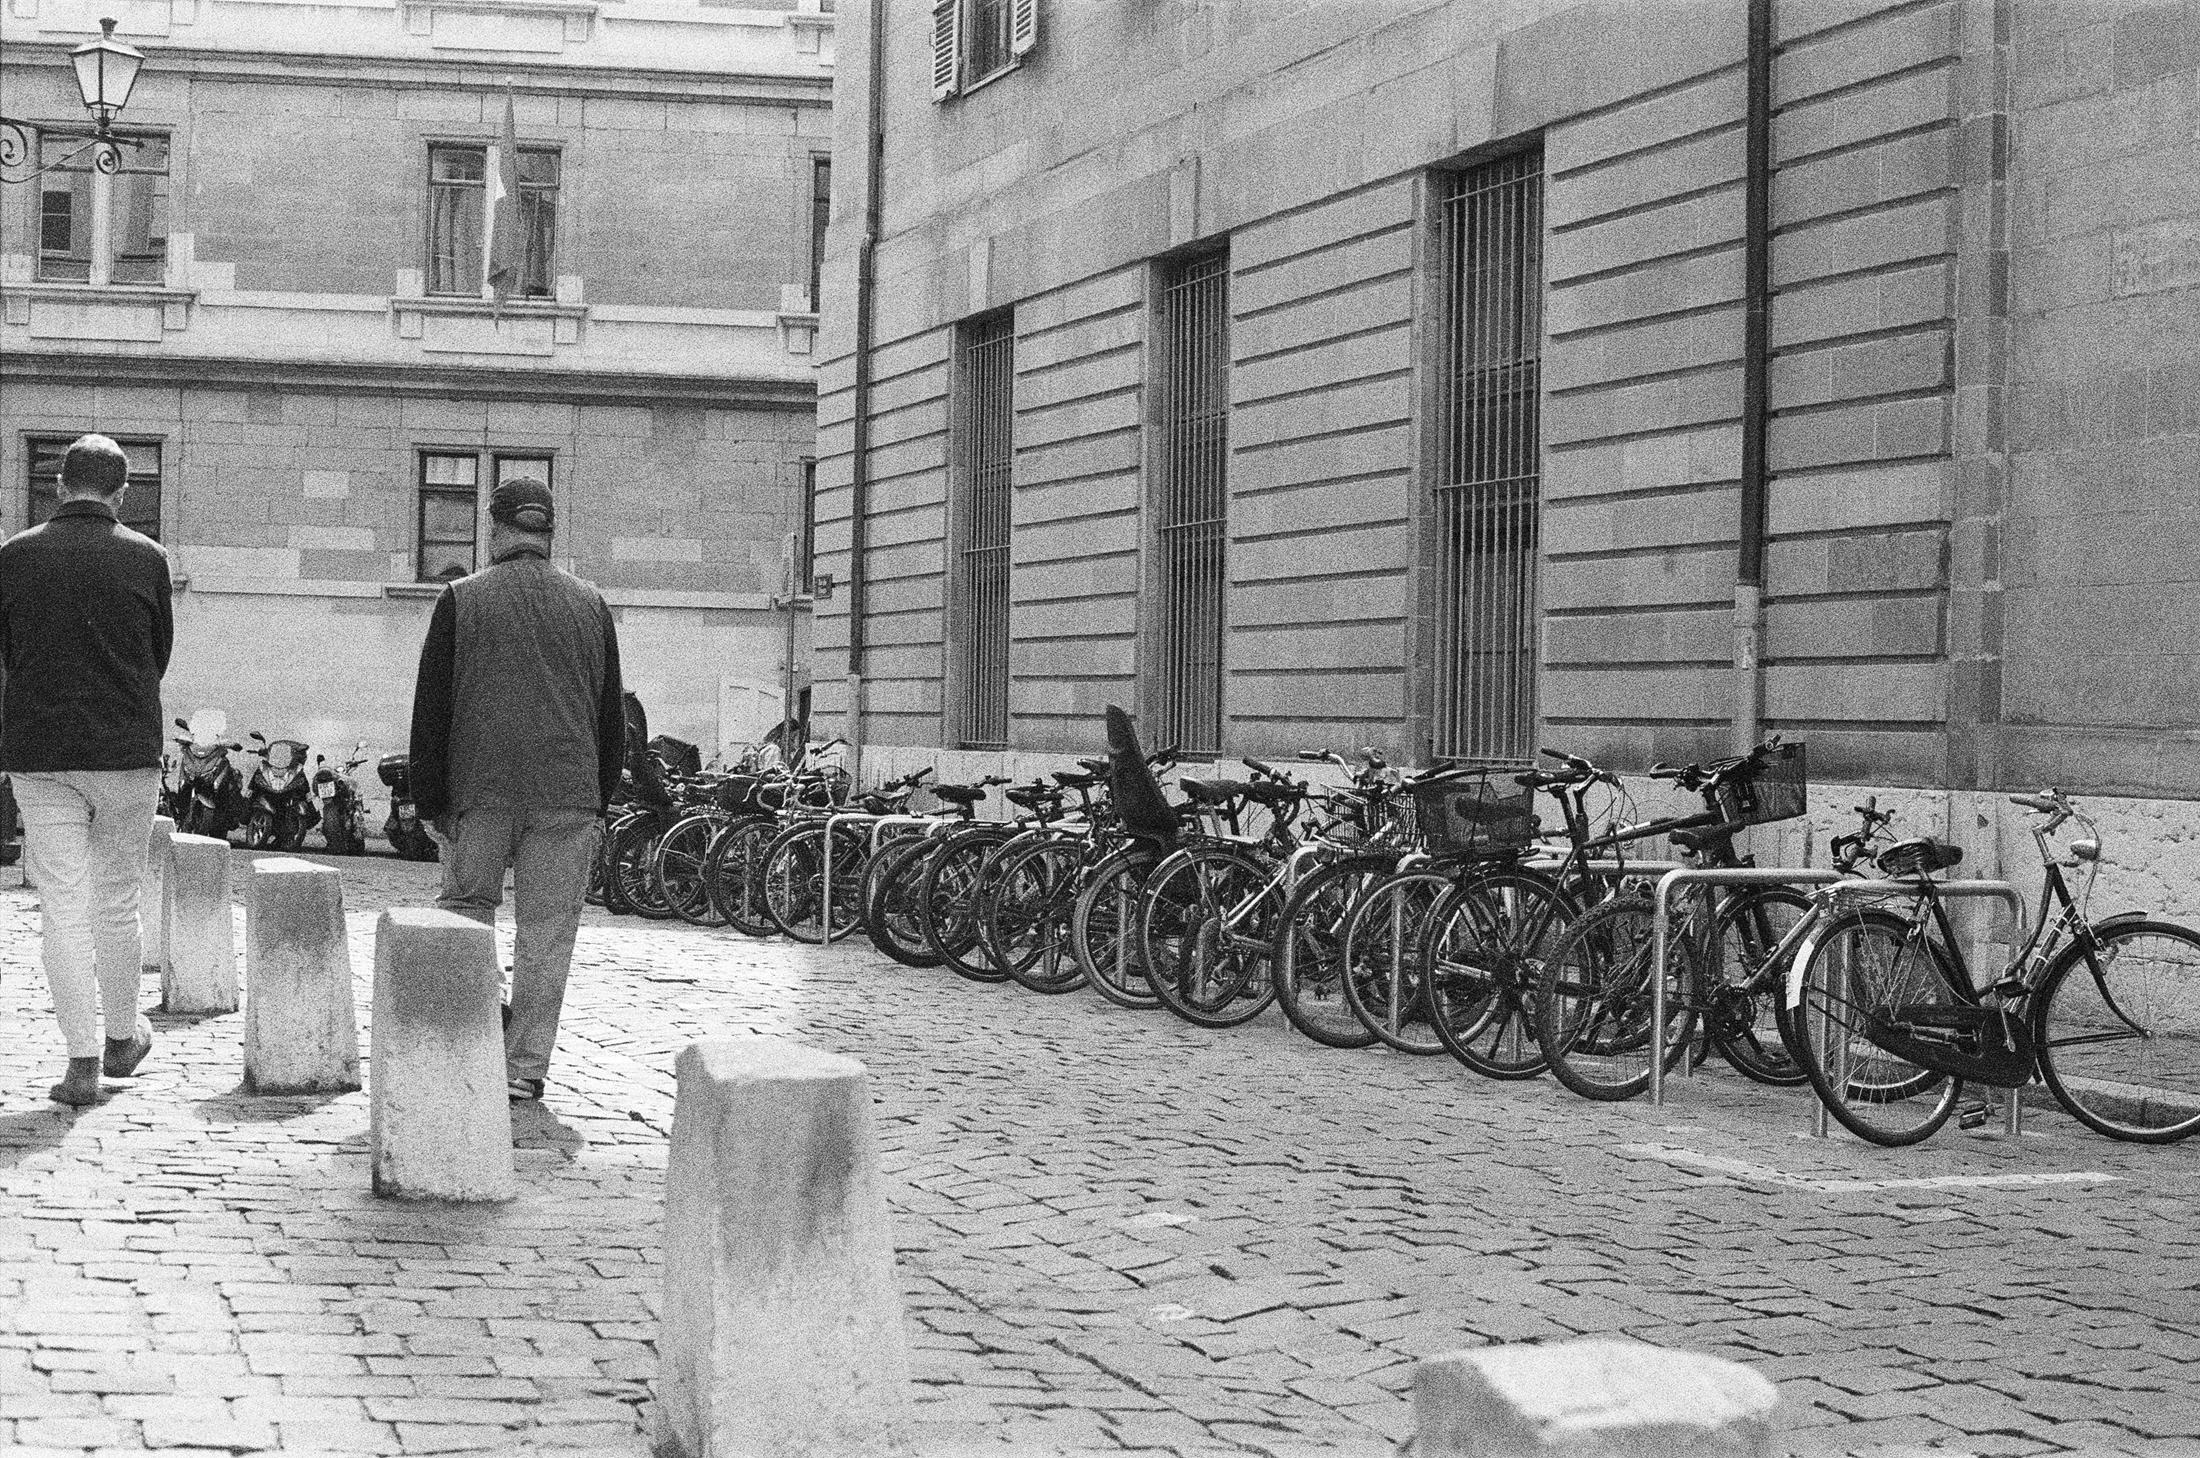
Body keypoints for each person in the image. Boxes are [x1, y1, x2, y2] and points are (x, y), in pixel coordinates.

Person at [407, 477, 624, 1103]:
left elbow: (433, 707)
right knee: (549, 931)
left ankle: (467, 1039)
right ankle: (525, 1068)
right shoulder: (591, 603)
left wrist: (430, 799)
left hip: (482, 784)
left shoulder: (462, 598)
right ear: (548, 531)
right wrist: (599, 796)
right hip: (569, 790)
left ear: (496, 528)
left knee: (467, 911)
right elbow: (610, 717)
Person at [0, 435, 172, 1106]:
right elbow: (157, 653)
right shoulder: (147, 557)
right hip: (126, 745)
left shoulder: (14, 556)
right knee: (117, 899)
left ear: (59, 484)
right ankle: (124, 1038)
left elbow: (8, 653)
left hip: (42, 751)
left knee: (61, 905)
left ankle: (80, 1060)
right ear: (122, 493)